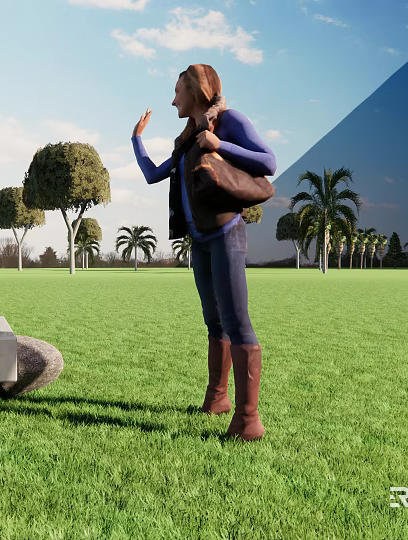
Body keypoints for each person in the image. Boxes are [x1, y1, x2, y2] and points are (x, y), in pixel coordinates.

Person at [131, 64, 276, 442]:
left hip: (227, 235)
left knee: (237, 322)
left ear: (195, 91)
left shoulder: (229, 121)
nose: (173, 100)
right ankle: (217, 398)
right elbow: (153, 174)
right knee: (214, 322)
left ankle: (248, 421)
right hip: (201, 241)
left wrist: (219, 145)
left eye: (177, 91)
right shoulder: (188, 137)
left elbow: (268, 162)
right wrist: (136, 140)